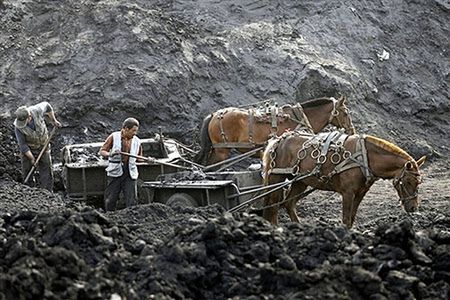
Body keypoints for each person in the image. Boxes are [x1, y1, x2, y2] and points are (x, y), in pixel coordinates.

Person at [99, 117, 146, 211]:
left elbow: (139, 159)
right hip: (115, 172)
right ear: (126, 129)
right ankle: (109, 217)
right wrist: (110, 154)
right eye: (133, 131)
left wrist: (148, 160)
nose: (135, 133)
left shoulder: (137, 141)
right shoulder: (114, 136)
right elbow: (102, 151)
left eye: (136, 131)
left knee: (132, 200)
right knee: (111, 199)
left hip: (130, 173)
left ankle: (132, 219)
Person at [14, 101, 62, 191]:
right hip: (28, 149)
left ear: (29, 117)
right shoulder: (18, 127)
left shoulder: (37, 110)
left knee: (46, 170)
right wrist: (32, 158)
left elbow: (48, 106)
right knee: (27, 171)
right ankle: (29, 192)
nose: (22, 124)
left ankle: (47, 192)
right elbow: (23, 145)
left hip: (43, 145)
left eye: (25, 121)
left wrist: (54, 120)